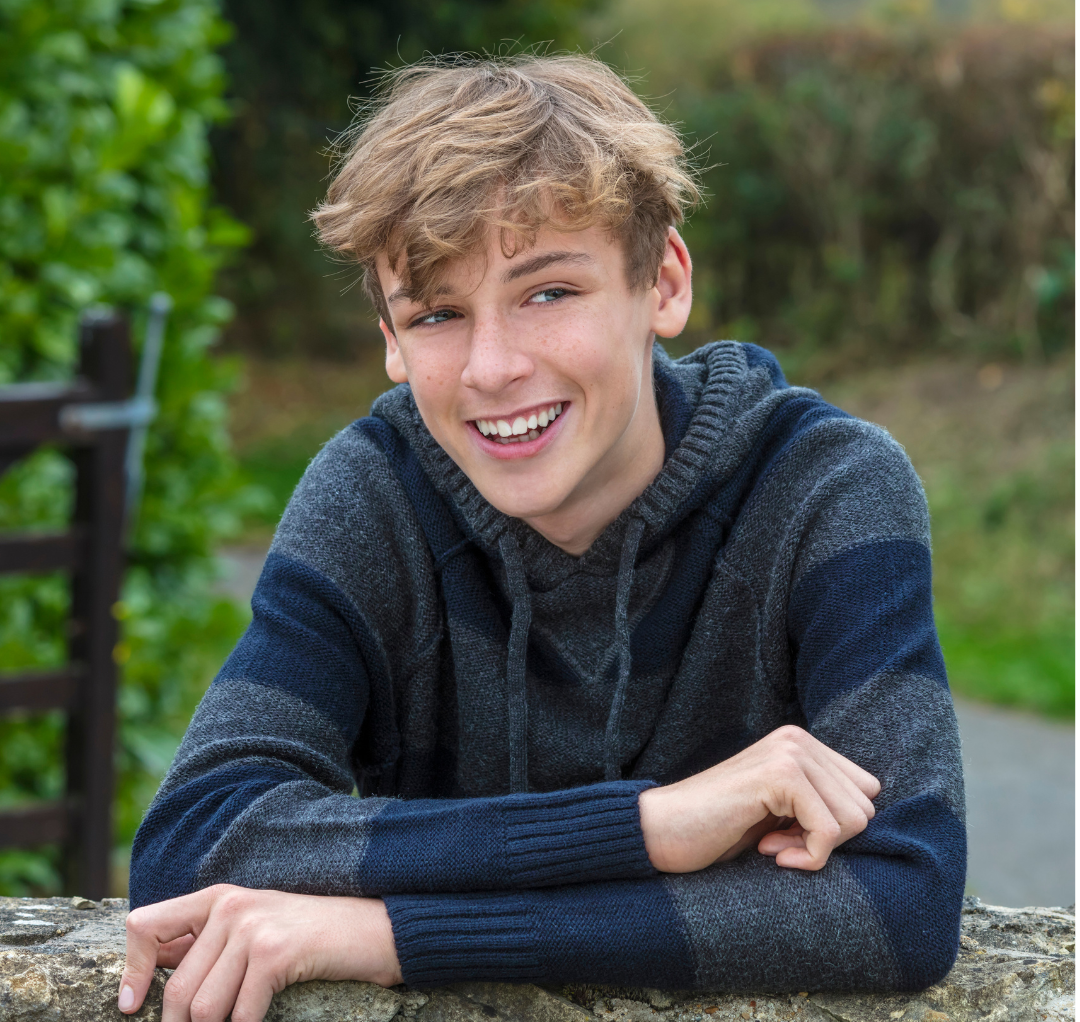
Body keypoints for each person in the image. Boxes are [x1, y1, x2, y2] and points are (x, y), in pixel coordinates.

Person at [120, 54, 966, 1022]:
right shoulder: (373, 493)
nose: (492, 367)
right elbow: (193, 839)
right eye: (438, 314)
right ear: (390, 343)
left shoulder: (828, 487)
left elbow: (902, 901)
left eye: (547, 292)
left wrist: (397, 934)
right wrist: (650, 827)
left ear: (665, 284)